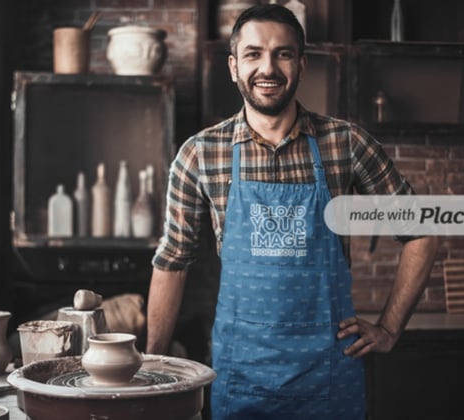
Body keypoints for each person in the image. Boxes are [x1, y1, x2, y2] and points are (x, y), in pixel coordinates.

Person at [146, 4, 439, 419]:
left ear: (301, 66)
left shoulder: (346, 144)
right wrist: (152, 365)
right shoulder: (199, 155)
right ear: (233, 66)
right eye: (253, 54)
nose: (268, 67)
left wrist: (390, 328)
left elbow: (422, 231)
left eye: (283, 53)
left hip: (329, 375)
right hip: (240, 375)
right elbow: (173, 261)